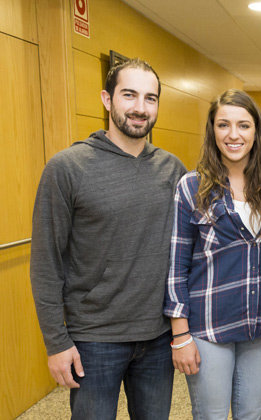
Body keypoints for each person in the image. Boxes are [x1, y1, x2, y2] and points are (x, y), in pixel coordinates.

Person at [30, 58, 186, 419]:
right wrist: (56, 342)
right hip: (94, 339)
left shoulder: (172, 168)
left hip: (157, 338)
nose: (139, 108)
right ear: (106, 99)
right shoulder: (67, 168)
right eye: (129, 95)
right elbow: (46, 263)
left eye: (150, 98)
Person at [164, 89, 261, 419]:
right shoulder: (191, 187)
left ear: (257, 131)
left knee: (252, 415)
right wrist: (180, 336)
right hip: (208, 330)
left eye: (244, 125)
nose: (233, 135)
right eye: (223, 125)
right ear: (212, 130)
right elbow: (176, 266)